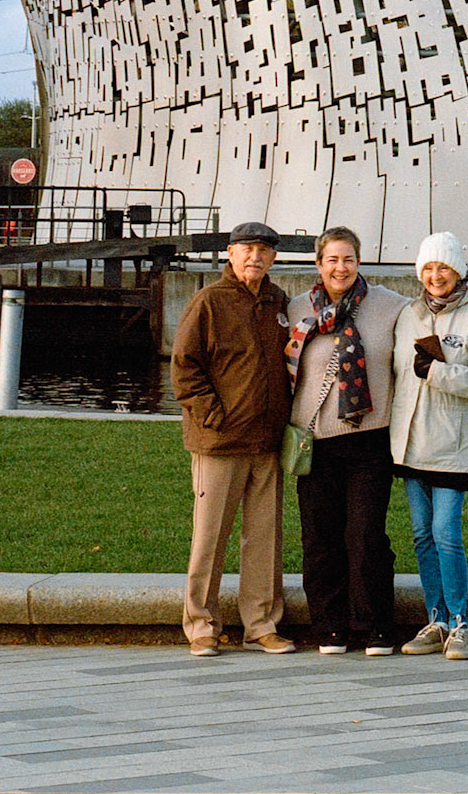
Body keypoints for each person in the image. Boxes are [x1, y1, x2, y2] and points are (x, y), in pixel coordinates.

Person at [170, 221, 296, 657]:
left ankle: (261, 624)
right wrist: (213, 416)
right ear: (230, 253)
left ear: (273, 258)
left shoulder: (278, 302)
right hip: (220, 442)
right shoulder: (209, 301)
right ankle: (200, 624)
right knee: (210, 537)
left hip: (267, 442)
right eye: (246, 249)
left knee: (264, 540)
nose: (254, 258)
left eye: (263, 251)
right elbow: (184, 368)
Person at [286, 227, 405, 656]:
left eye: (349, 259)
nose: (341, 268)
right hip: (315, 443)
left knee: (366, 536)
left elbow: (435, 309)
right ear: (319, 264)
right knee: (320, 538)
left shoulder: (389, 306)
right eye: (332, 260)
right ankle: (330, 626)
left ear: (359, 262)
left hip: (369, 441)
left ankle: (375, 624)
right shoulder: (298, 308)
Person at [390, 231, 468, 662]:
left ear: (458, 271)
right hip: (410, 441)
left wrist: (439, 373)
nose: (436, 276)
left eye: (444, 268)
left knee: (445, 533)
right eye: (429, 268)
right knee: (421, 536)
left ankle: (460, 622)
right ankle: (435, 618)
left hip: (451, 443)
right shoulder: (409, 315)